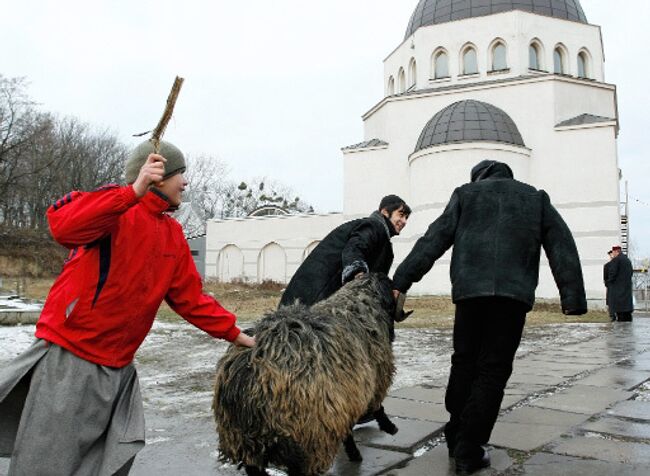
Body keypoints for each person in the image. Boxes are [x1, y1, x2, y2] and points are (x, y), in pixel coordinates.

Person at [0, 139, 254, 476]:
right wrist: (132, 191)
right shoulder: (113, 209)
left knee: (102, 464)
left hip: (119, 369)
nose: (186, 182)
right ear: (157, 176)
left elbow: (191, 299)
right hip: (71, 361)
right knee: (47, 463)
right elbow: (63, 227)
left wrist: (235, 334)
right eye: (180, 174)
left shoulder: (172, 234)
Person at [392, 160, 587, 475]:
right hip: (512, 297)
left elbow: (434, 239)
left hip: (470, 294)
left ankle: (457, 433)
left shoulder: (466, 194)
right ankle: (470, 448)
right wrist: (573, 298)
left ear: (477, 177)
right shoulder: (535, 198)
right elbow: (562, 245)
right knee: (493, 371)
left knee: (464, 361)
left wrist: (401, 280)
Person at [279, 194, 411, 307]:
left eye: (406, 218)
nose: (404, 221)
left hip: (312, 295)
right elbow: (355, 248)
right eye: (401, 215)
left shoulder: (381, 237)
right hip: (315, 295)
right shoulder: (374, 226)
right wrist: (359, 274)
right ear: (385, 212)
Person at [606, 245, 634, 322]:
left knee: (620, 312)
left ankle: (620, 330)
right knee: (627, 312)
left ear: (616, 251)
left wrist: (609, 282)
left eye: (613, 252)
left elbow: (612, 273)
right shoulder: (627, 260)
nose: (613, 254)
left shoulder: (616, 260)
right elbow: (631, 272)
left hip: (617, 290)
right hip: (627, 287)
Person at [604, 250, 616, 321]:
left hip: (618, 287)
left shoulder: (620, 264)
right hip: (610, 287)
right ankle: (612, 316)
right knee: (610, 302)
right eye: (610, 255)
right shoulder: (607, 265)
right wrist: (608, 284)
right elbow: (605, 278)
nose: (612, 256)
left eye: (613, 254)